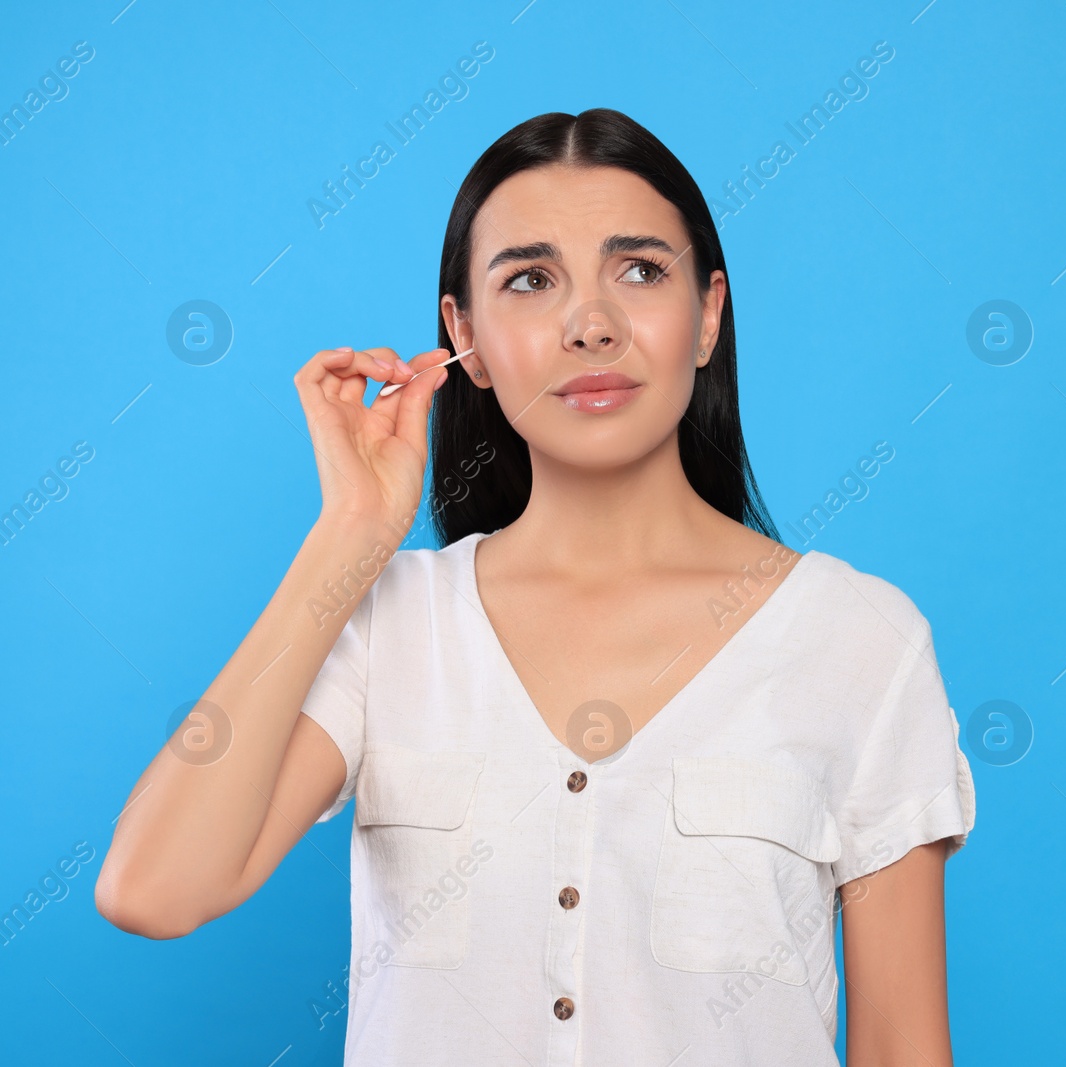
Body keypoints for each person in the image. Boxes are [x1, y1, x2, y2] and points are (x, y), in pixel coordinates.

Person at [95, 107, 975, 1066]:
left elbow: (901, 1046)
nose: (590, 324)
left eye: (640, 271)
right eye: (530, 280)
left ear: (708, 314)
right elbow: (154, 888)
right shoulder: (390, 623)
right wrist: (347, 537)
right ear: (461, 334)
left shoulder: (857, 640)